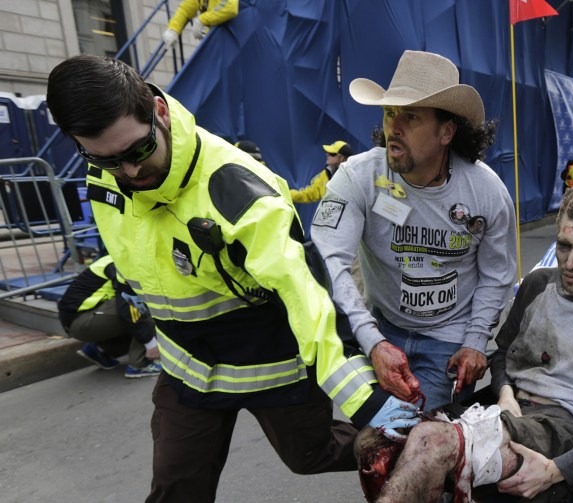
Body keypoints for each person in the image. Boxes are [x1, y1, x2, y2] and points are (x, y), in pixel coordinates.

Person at [46, 55, 420, 502]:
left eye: (138, 152)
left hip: (270, 362)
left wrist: (366, 401)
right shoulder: (105, 177)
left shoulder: (235, 188)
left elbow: (304, 292)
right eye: (104, 159)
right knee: (175, 487)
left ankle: (411, 447)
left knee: (310, 455)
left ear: (159, 113)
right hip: (189, 368)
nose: (128, 173)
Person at [359, 183, 573, 503]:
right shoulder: (536, 285)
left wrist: (560, 468)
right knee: (373, 443)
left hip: (563, 423)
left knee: (431, 442)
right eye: (563, 245)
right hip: (506, 405)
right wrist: (504, 391)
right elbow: (502, 354)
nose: (570, 262)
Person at [311, 50, 518, 412]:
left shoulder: (487, 192)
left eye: (411, 116)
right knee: (378, 446)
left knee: (424, 448)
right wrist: (372, 341)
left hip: (449, 340)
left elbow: (497, 275)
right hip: (379, 327)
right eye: (390, 113)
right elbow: (329, 262)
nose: (394, 127)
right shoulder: (357, 177)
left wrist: (473, 342)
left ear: (446, 132)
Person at [58, 255, 162, 379]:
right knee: (143, 305)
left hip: (79, 321)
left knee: (134, 311)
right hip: (82, 321)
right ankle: (139, 365)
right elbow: (128, 307)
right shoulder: (123, 264)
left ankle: (101, 350)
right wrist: (151, 343)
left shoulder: (118, 256)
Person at [290, 140, 354, 203]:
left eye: (331, 154)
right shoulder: (326, 174)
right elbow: (311, 193)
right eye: (327, 152)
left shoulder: (353, 176)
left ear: (341, 158)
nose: (327, 154)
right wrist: (287, 195)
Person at [162, 0, 238, 48]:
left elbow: (230, 6)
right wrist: (173, 29)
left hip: (233, 38)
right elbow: (185, 9)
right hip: (214, 41)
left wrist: (201, 20)